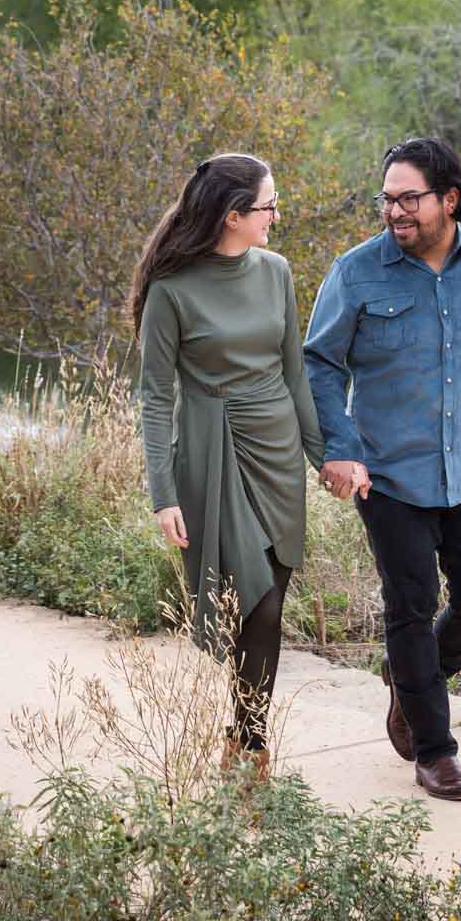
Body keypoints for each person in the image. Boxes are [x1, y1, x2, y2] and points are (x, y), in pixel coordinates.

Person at [304, 137, 461, 802]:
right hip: (388, 477)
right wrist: (339, 446)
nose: (394, 211)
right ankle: (435, 749)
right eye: (387, 198)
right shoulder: (355, 272)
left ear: (449, 199)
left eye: (409, 198)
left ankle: (411, 685)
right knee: (409, 605)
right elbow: (318, 364)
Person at [132, 153, 329, 773]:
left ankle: (243, 739)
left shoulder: (276, 272)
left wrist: (325, 456)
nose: (277, 215)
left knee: (271, 595)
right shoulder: (170, 290)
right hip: (211, 452)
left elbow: (294, 371)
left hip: (277, 453)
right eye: (269, 205)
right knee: (256, 600)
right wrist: (163, 492)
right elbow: (156, 396)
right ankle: (251, 745)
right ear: (233, 214)